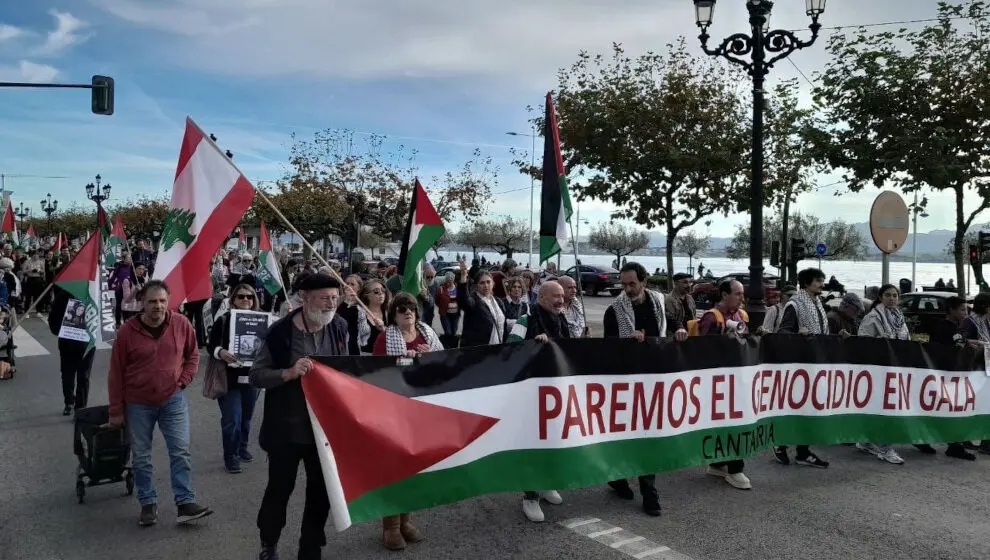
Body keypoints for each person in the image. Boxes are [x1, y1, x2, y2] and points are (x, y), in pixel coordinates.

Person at [250, 274, 351, 560]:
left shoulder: (339, 327)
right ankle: (269, 542)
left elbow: (350, 368)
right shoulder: (280, 333)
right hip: (286, 429)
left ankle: (310, 548)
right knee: (279, 490)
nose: (331, 304)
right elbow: (256, 376)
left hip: (324, 430)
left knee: (321, 492)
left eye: (335, 298)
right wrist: (288, 373)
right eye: (324, 298)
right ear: (305, 298)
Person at [106, 280, 212, 526]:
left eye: (163, 301)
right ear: (142, 303)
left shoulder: (181, 324)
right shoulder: (127, 332)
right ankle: (148, 503)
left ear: (169, 301)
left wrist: (183, 381)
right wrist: (116, 411)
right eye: (152, 301)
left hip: (172, 399)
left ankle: (185, 503)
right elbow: (116, 373)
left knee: (180, 451)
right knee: (141, 456)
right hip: (138, 403)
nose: (158, 306)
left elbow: (193, 355)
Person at [603, 262, 685, 517]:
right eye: (624, 284)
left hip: (654, 379)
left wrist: (679, 329)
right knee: (624, 436)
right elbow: (608, 347)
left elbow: (671, 321)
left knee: (649, 435)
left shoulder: (658, 301)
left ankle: (649, 492)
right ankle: (617, 477)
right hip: (626, 382)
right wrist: (627, 343)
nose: (627, 289)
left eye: (632, 284)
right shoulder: (614, 311)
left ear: (644, 282)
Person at [372, 292, 443, 549]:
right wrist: (406, 361)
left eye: (411, 307)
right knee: (394, 467)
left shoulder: (427, 333)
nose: (408, 312)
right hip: (393, 408)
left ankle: (405, 520)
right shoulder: (385, 338)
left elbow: (445, 365)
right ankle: (390, 526)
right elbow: (377, 373)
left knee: (413, 467)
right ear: (393, 314)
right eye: (401, 309)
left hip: (422, 408)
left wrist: (429, 357)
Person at [506, 281, 568, 522]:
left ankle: (547, 483)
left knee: (553, 442)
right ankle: (530, 496)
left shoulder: (561, 320)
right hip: (530, 395)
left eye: (562, 296)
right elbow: (509, 350)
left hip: (556, 393)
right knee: (532, 445)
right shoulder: (526, 321)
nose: (560, 300)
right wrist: (533, 344)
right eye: (555, 296)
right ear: (541, 297)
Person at [696, 280, 752, 490]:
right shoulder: (712, 317)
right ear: (724, 295)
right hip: (719, 382)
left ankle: (718, 463)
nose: (742, 298)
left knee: (732, 422)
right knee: (732, 424)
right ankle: (735, 469)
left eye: (742, 294)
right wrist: (723, 341)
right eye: (737, 294)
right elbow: (703, 349)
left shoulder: (741, 316)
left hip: (737, 379)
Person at [773, 268, 831, 469]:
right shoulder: (795, 304)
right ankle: (780, 443)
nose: (822, 284)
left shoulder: (818, 304)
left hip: (816, 364)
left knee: (810, 409)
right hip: (799, 365)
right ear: (806, 283)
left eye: (822, 280)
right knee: (795, 408)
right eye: (818, 281)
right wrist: (799, 335)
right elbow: (783, 332)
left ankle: (803, 451)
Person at [208, 283, 262, 474]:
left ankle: (242, 447)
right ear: (233, 299)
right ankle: (230, 456)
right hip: (228, 379)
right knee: (232, 420)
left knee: (246, 418)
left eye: (249, 296)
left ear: (254, 299)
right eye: (241, 296)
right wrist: (220, 352)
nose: (246, 299)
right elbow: (211, 345)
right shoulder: (224, 320)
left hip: (252, 379)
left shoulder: (263, 320)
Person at [856, 284, 910, 465]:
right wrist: (880, 343)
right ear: (880, 297)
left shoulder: (899, 317)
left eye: (895, 295)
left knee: (888, 407)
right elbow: (862, 343)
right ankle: (885, 448)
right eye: (888, 295)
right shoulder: (873, 317)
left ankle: (867, 440)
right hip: (878, 369)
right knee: (884, 408)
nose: (892, 299)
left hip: (896, 368)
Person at [921, 296, 976, 460]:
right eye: (962, 309)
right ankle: (952, 445)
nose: (965, 313)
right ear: (951, 310)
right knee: (946, 409)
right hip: (944, 374)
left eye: (966, 310)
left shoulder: (957, 328)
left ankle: (952, 444)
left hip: (953, 374)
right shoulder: (943, 328)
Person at [48, 286, 96, 416]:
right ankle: (71, 403)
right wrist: (64, 330)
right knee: (71, 375)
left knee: (80, 375)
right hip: (69, 343)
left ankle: (79, 406)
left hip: (85, 343)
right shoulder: (63, 297)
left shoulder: (94, 295)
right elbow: (53, 321)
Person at [456, 260, 508, 347]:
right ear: (476, 286)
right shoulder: (474, 300)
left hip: (498, 348)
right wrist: (464, 276)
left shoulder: (498, 301)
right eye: (482, 283)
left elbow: (504, 327)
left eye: (488, 282)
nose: (486, 285)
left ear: (493, 283)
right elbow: (463, 301)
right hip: (478, 350)